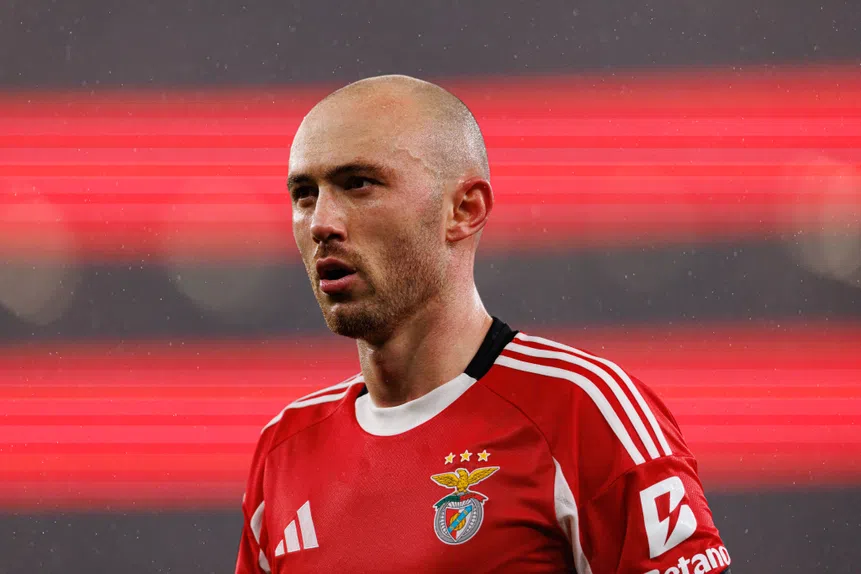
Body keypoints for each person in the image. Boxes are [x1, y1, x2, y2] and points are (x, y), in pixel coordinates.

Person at [235, 75, 730, 574]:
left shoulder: (586, 413)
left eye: (358, 184)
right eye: (304, 194)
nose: (320, 222)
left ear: (464, 210)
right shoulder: (283, 449)